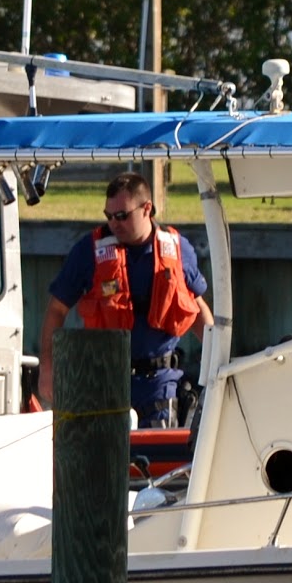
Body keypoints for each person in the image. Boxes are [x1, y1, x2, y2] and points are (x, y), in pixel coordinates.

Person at [38, 172, 213, 428]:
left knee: (157, 462)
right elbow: (57, 309)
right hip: (106, 383)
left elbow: (198, 311)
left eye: (121, 216)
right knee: (106, 462)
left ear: (147, 209)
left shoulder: (177, 250)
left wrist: (216, 365)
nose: (114, 223)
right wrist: (47, 368)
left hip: (159, 385)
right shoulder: (89, 252)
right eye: (108, 216)